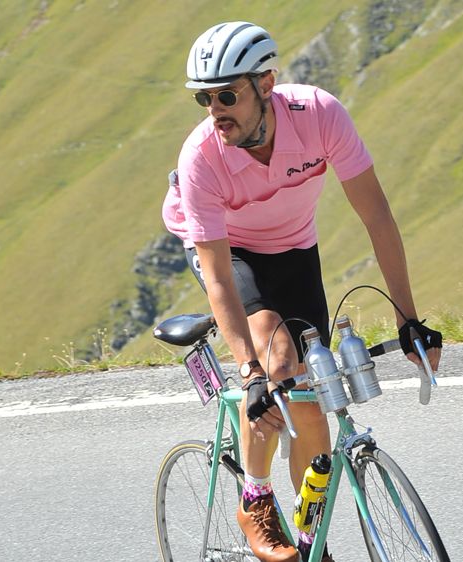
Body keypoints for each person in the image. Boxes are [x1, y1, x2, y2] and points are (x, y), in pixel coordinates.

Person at [162, 21, 443, 562]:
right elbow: (219, 275)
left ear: (266, 85)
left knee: (311, 396)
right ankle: (255, 498)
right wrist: (249, 372)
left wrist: (409, 319)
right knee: (278, 362)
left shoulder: (319, 116)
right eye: (204, 98)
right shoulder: (202, 156)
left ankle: (311, 540)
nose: (215, 110)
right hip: (228, 249)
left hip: (293, 249)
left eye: (227, 95)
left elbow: (377, 217)